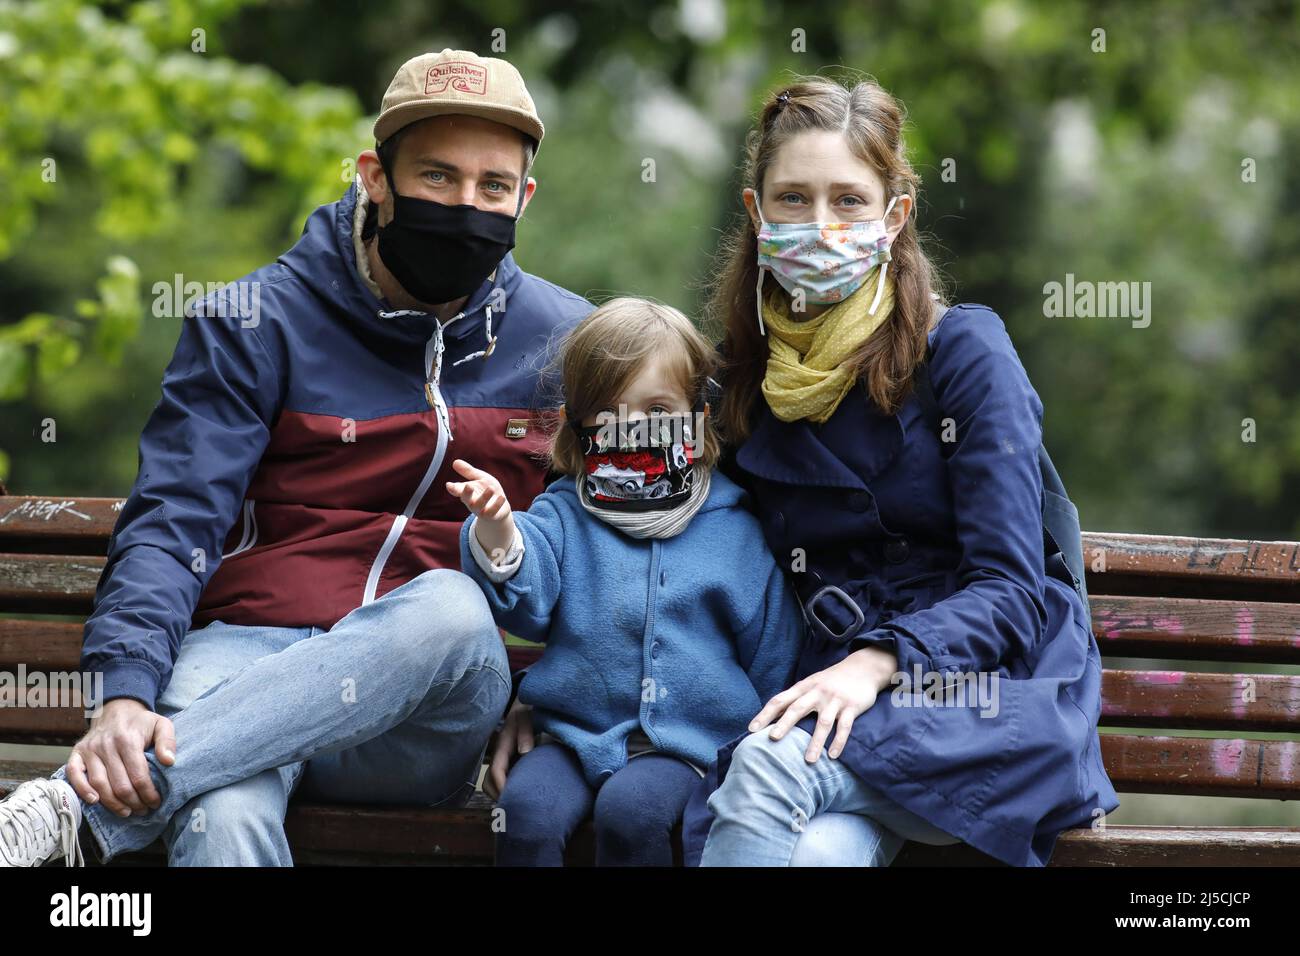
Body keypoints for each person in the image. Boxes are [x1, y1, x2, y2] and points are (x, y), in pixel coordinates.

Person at [0, 48, 592, 867]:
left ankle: (72, 815)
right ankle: (106, 806)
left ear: (523, 197)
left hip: (424, 709)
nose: (465, 205)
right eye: (436, 177)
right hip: (245, 655)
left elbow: (608, 540)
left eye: (492, 188)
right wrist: (124, 692)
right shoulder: (252, 321)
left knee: (451, 605)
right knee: (220, 811)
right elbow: (174, 522)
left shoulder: (569, 346)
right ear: (374, 177)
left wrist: (563, 701)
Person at [674, 74, 1120, 867]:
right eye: (792, 200)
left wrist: (880, 662)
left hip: (978, 691)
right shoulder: (743, 381)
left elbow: (1012, 591)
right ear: (755, 213)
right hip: (833, 696)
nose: (819, 225)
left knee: (769, 770)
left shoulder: (964, 354)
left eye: (848, 200)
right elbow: (641, 530)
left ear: (894, 215)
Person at [448, 298, 804, 865]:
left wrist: (756, 749)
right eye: (612, 412)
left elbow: (773, 650)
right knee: (522, 814)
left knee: (631, 815)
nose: (635, 428)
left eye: (658, 408)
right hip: (572, 735)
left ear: (697, 418)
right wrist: (497, 528)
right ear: (578, 426)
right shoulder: (564, 514)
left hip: (690, 746)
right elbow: (526, 595)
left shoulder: (738, 530)